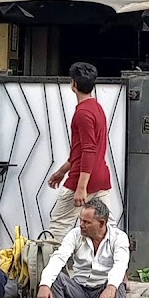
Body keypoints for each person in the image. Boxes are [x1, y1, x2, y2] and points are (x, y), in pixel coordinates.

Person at [37, 197, 130, 298]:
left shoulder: (119, 237)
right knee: (55, 278)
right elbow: (59, 257)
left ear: (101, 223)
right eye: (81, 220)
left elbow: (121, 264)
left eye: (87, 222)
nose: (81, 225)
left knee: (119, 283)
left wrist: (111, 287)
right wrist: (44, 284)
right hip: (78, 292)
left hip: (103, 296)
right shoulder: (74, 235)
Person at [47, 62, 112, 241]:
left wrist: (81, 187)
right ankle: (111, 265)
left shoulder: (82, 113)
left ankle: (57, 266)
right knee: (106, 227)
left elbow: (88, 151)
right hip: (101, 177)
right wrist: (61, 172)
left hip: (82, 179)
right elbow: (81, 151)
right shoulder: (97, 109)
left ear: (73, 84)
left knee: (59, 224)